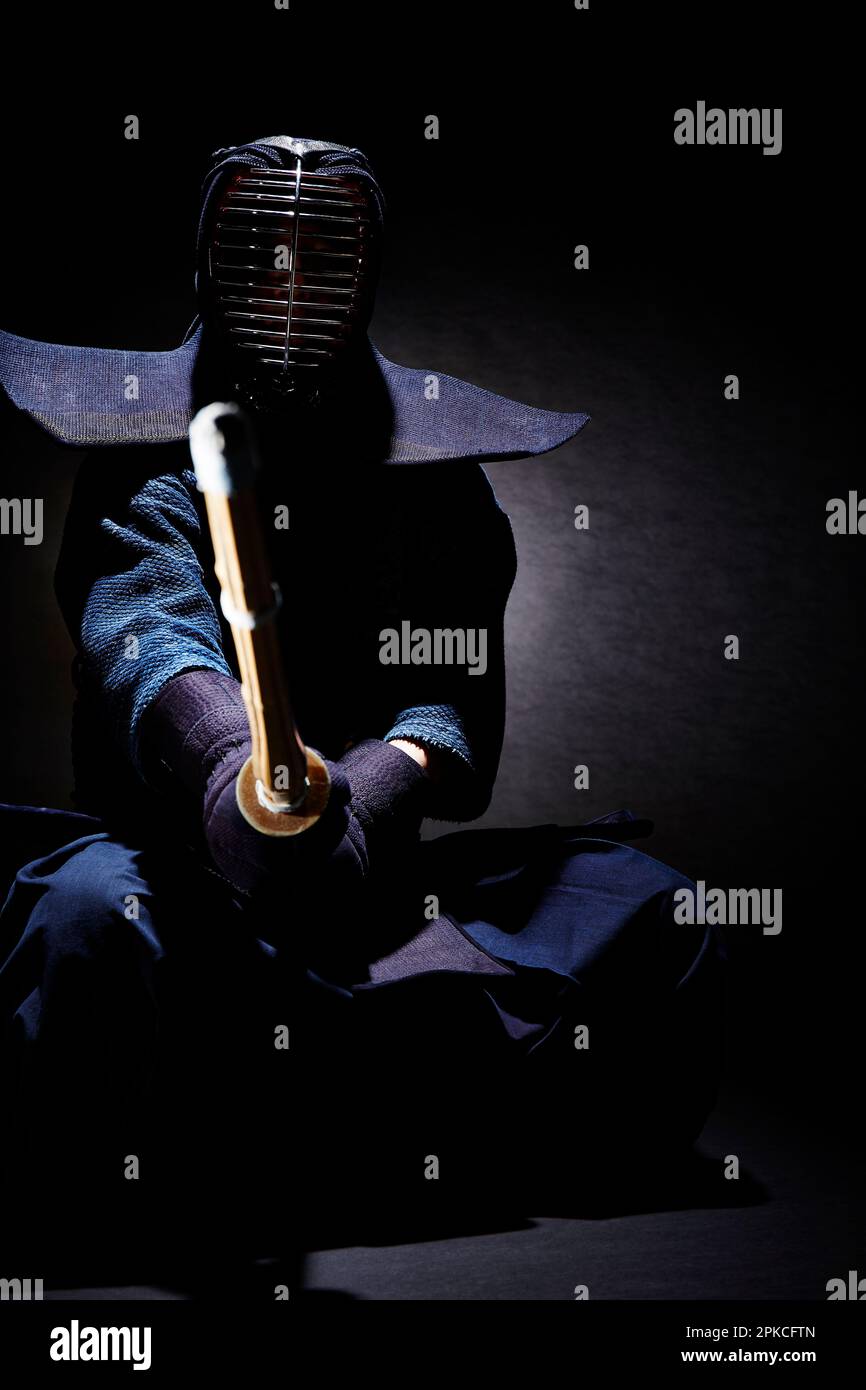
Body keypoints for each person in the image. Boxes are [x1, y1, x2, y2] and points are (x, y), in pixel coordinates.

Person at [0, 137, 723, 1278]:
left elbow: (449, 700)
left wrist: (365, 797)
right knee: (90, 925)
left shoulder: (434, 481)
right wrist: (234, 766)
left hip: (371, 878)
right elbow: (144, 626)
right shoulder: (144, 459)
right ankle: (270, 1134)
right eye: (260, 246)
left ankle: (314, 1118)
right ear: (210, 261)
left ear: (364, 269)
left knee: (659, 912)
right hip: (181, 872)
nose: (287, 278)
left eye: (320, 250)